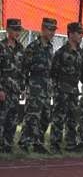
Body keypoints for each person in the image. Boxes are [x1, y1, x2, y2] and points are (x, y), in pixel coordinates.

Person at [19, 17, 57, 153]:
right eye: (50, 30)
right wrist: (23, 87)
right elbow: (24, 68)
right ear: (43, 29)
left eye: (54, 30)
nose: (52, 33)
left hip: (47, 86)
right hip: (35, 85)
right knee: (32, 115)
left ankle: (38, 142)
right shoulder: (33, 47)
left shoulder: (50, 48)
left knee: (46, 116)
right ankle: (24, 141)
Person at [50, 22, 83, 153]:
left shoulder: (80, 52)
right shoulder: (61, 52)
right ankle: (55, 145)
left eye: (81, 33)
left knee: (72, 118)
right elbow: (53, 72)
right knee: (59, 118)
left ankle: (71, 144)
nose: (81, 36)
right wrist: (57, 89)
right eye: (79, 33)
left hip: (74, 90)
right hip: (61, 90)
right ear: (71, 34)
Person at [0, 18, 25, 153]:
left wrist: (22, 88)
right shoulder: (1, 46)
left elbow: (22, 69)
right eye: (15, 29)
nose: (17, 32)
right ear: (8, 29)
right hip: (4, 89)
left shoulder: (20, 48)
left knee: (13, 119)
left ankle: (7, 146)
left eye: (18, 30)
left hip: (15, 90)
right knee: (1, 118)